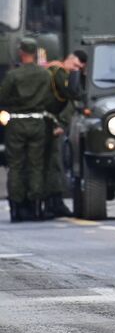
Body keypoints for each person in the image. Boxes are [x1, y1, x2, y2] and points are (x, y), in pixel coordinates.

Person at [1, 39, 60, 221]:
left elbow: (2, 97)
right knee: (36, 165)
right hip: (38, 122)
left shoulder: (13, 75)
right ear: (36, 52)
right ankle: (36, 205)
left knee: (16, 166)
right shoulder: (45, 75)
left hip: (17, 123)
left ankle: (17, 207)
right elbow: (52, 99)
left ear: (21, 52)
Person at [40, 48, 87, 218]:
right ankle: (53, 202)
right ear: (69, 59)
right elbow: (74, 97)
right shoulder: (58, 72)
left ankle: (49, 202)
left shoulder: (53, 71)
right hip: (49, 123)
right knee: (53, 163)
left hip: (47, 122)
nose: (75, 69)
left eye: (79, 69)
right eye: (75, 65)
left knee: (50, 163)